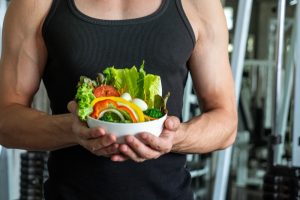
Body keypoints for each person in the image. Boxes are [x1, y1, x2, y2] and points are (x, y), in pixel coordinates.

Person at [0, 0, 238, 199]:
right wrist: (72, 130)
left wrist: (173, 138)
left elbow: (225, 123)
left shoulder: (199, 4)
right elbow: (5, 121)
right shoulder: (34, 4)